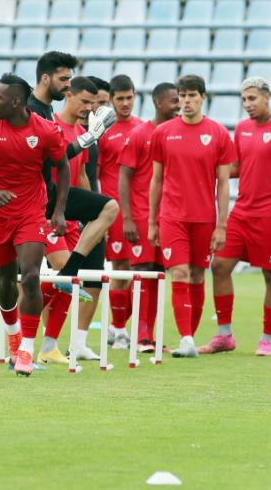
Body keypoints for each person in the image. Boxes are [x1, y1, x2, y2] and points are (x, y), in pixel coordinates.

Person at [0, 73, 70, 376]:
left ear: (17, 101)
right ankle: (13, 338)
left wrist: (59, 211)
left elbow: (63, 167)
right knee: (6, 281)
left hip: (31, 212)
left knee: (31, 276)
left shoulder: (45, 130)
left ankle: (26, 352)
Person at [202, 77, 271, 357]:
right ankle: (224, 335)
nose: (247, 105)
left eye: (252, 99)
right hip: (242, 212)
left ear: (266, 98)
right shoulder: (242, 129)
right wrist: (203, 166)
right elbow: (237, 166)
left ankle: (267, 339)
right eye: (244, 100)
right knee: (219, 265)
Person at [148, 75, 235, 358]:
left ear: (202, 98)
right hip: (172, 216)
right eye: (182, 96)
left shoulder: (218, 134)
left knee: (197, 275)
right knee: (179, 273)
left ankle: (190, 338)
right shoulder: (163, 133)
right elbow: (156, 180)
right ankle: (186, 339)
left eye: (192, 96)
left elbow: (224, 183)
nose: (186, 101)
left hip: (204, 218)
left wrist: (222, 225)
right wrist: (152, 221)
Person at [26, 52, 119, 284]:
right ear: (45, 78)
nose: (68, 84)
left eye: (70, 79)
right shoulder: (32, 111)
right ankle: (66, 274)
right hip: (31, 202)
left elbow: (77, 173)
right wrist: (89, 137)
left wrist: (68, 210)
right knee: (22, 280)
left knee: (108, 208)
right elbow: (49, 158)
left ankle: (69, 273)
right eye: (64, 79)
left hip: (52, 198)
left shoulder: (48, 111)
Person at [38, 76, 100, 364]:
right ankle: (21, 319)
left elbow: (83, 175)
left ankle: (49, 347)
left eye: (92, 103)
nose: (89, 107)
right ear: (69, 95)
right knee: (65, 273)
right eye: (85, 101)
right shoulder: (50, 126)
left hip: (72, 218)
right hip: (49, 214)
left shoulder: (82, 132)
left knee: (71, 280)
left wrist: (89, 213)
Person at [119, 83, 180, 352]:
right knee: (142, 272)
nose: (179, 105)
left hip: (169, 216)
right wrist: (127, 218)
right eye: (174, 100)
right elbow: (124, 176)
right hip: (143, 215)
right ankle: (140, 335)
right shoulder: (139, 134)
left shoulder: (177, 134)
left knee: (157, 273)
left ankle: (148, 336)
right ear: (158, 103)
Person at [96, 75, 143, 349]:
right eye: (120, 98)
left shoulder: (143, 129)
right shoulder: (104, 132)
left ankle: (125, 328)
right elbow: (96, 174)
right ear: (111, 100)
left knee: (142, 270)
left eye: (129, 98)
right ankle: (120, 329)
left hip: (141, 210)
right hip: (114, 211)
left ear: (135, 97)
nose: (125, 103)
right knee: (121, 268)